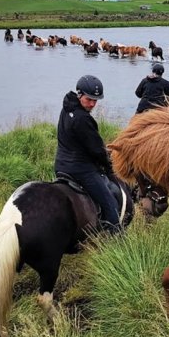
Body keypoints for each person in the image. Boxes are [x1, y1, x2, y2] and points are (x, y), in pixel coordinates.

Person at [54, 75, 121, 233]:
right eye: (89, 99)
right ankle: (115, 237)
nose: (92, 104)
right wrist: (108, 167)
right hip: (81, 170)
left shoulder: (67, 108)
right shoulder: (82, 119)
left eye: (95, 100)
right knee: (110, 203)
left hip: (61, 165)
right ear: (80, 94)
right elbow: (97, 150)